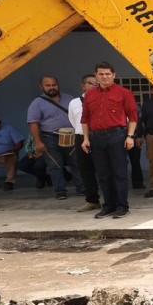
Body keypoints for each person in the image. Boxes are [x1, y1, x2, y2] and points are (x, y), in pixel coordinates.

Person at [81, 61, 139, 218]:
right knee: (103, 174)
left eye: (108, 74)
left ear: (114, 75)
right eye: (101, 74)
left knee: (119, 173)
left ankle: (122, 206)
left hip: (117, 136)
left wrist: (130, 136)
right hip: (96, 138)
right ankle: (109, 205)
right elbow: (85, 118)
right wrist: (86, 139)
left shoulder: (124, 93)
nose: (104, 77)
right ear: (96, 75)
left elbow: (133, 116)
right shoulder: (90, 95)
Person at [27, 75, 81, 201]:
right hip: (49, 137)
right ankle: (60, 191)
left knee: (77, 163)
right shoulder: (36, 103)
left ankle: (82, 188)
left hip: (71, 136)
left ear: (58, 85)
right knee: (55, 165)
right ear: (41, 87)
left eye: (54, 84)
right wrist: (38, 142)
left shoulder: (69, 99)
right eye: (48, 85)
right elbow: (33, 123)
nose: (52, 87)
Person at [70, 74, 101, 211]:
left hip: (99, 136)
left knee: (104, 170)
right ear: (83, 85)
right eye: (90, 83)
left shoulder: (102, 99)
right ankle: (92, 200)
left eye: (96, 83)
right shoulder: (74, 102)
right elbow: (73, 120)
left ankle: (112, 201)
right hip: (81, 138)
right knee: (86, 170)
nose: (94, 86)